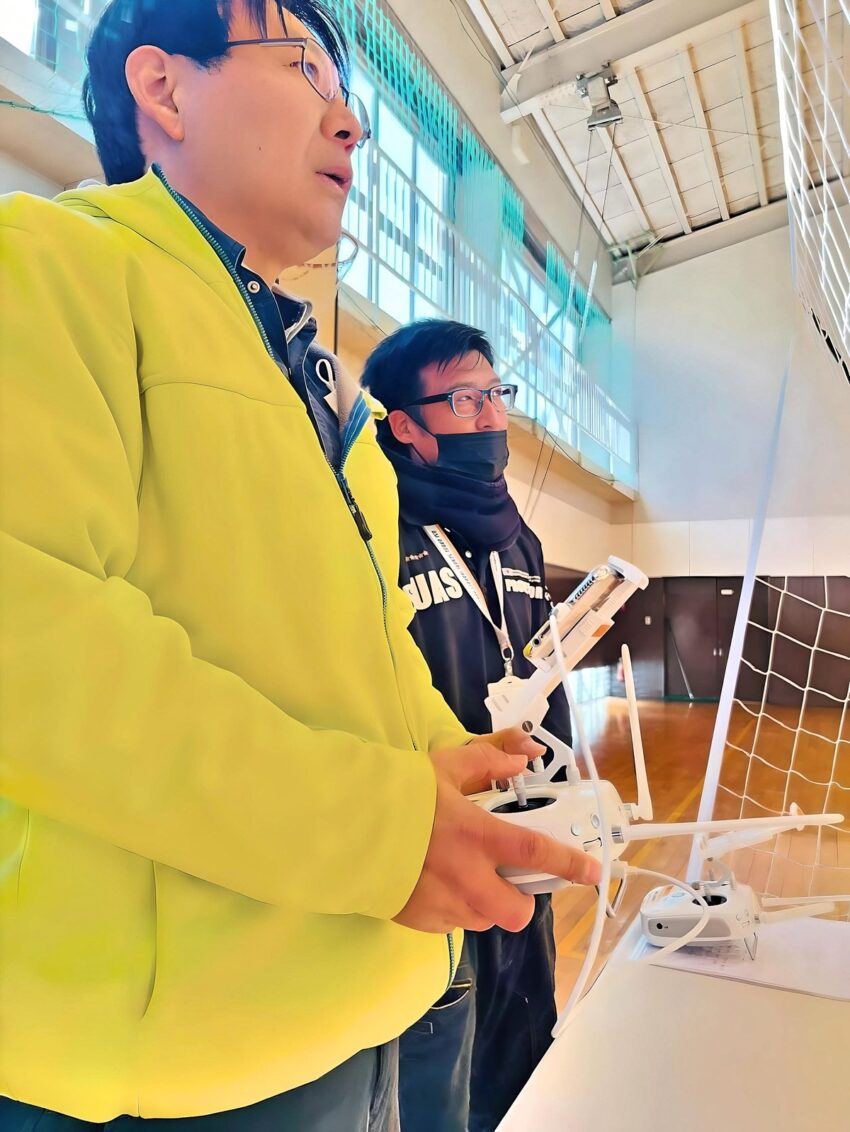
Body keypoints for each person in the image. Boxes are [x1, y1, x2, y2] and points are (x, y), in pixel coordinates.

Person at [0, 3, 601, 1128]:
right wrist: (381, 831)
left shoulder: (323, 388)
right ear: (164, 89)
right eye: (305, 69)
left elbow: (367, 645)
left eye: (347, 89)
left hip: (369, 993)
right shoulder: (50, 265)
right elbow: (35, 646)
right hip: (173, 1063)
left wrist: (447, 754)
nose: (351, 122)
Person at [361, 320, 574, 1132]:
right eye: (463, 399)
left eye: (495, 394)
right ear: (405, 426)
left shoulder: (520, 538)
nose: (491, 415)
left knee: (525, 1031)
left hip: (527, 824)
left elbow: (546, 669)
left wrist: (562, 792)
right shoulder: (377, 533)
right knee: (441, 1074)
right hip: (436, 844)